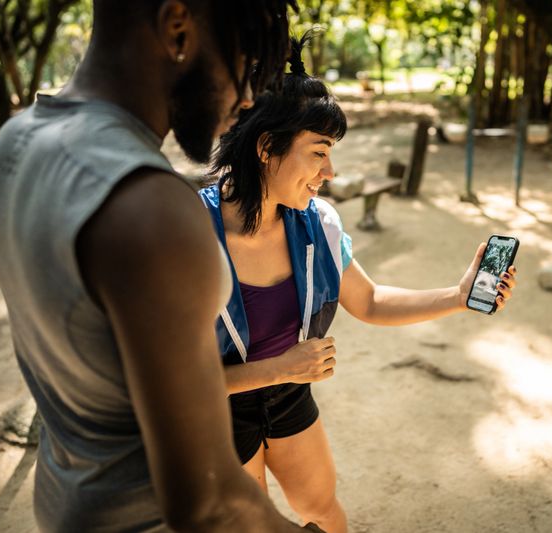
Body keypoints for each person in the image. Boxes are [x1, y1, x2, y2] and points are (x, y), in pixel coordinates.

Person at [0, 1, 318, 531]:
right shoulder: (151, 209)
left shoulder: (11, 149)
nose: (248, 97)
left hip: (63, 502)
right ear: (178, 28)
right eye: (243, 63)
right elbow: (209, 502)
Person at [199, 35, 519, 533]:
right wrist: (278, 367)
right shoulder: (190, 235)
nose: (330, 172)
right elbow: (169, 382)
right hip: (214, 412)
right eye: (319, 152)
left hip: (289, 395)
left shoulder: (317, 223)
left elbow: (368, 300)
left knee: (323, 511)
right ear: (266, 148)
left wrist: (459, 297)